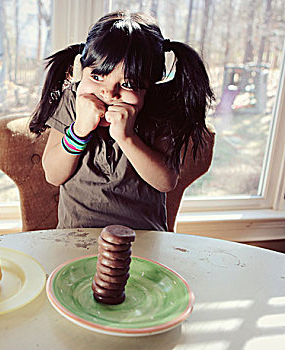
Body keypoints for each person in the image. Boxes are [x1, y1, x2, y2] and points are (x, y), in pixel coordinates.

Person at [29, 11, 214, 231]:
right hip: (76, 236)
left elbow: (166, 182)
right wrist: (79, 131)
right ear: (82, 69)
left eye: (127, 84)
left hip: (143, 240)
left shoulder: (159, 108)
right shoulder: (72, 101)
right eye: (96, 77)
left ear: (151, 86)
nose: (109, 92)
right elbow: (53, 175)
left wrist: (127, 137)